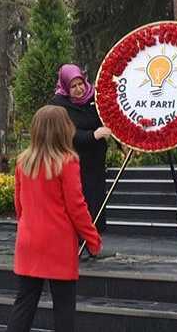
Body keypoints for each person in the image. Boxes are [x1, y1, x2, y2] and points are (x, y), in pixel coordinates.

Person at [7, 105, 101, 332]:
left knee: (24, 303)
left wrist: (28, 226)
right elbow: (76, 207)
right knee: (64, 306)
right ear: (63, 129)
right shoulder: (67, 161)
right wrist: (92, 239)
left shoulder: (23, 161)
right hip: (58, 243)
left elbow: (19, 205)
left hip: (28, 241)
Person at [50, 64, 113, 233]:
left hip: (96, 161)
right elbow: (66, 133)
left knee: (96, 200)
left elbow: (105, 121)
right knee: (78, 201)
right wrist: (93, 135)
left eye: (81, 84)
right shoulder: (59, 104)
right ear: (65, 86)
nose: (79, 89)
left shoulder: (94, 98)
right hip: (74, 162)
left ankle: (93, 239)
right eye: (73, 86)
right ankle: (77, 239)